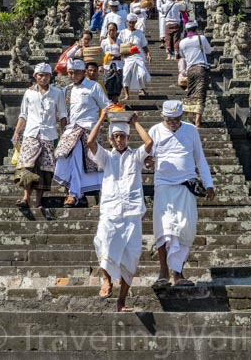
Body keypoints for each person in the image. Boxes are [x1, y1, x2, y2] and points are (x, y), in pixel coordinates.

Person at [88, 109, 153, 312]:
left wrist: (135, 123)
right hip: (110, 210)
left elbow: (149, 144)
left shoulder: (135, 156)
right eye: (116, 137)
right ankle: (106, 280)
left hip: (132, 212)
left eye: (122, 136)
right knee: (102, 242)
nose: (119, 140)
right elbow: (90, 142)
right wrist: (101, 119)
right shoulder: (107, 157)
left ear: (127, 137)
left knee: (131, 257)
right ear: (110, 139)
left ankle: (122, 300)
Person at [150, 100, 215, 289]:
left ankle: (178, 273)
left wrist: (208, 184)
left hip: (186, 184)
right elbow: (149, 156)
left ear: (182, 117)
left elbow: (200, 158)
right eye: (169, 120)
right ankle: (163, 272)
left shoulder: (190, 130)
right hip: (163, 185)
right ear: (163, 117)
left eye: (176, 120)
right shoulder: (155, 130)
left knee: (185, 229)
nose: (173, 123)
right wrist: (147, 162)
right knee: (164, 229)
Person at [54, 59, 110, 207]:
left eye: (76, 73)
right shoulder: (66, 90)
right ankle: (72, 192)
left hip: (88, 129)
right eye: (70, 73)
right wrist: (64, 130)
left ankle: (73, 194)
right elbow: (63, 114)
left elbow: (106, 107)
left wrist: (103, 125)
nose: (73, 76)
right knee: (62, 157)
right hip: (71, 130)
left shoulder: (94, 87)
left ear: (83, 73)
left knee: (78, 160)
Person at [12, 63, 68, 209]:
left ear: (50, 76)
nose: (43, 78)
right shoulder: (29, 93)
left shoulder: (57, 93)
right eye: (40, 75)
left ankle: (37, 202)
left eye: (46, 75)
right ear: (35, 76)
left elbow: (62, 115)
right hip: (31, 133)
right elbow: (23, 114)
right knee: (27, 166)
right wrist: (17, 131)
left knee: (44, 169)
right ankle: (25, 197)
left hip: (49, 134)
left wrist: (64, 134)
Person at [179, 21, 213, 127]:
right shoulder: (201, 38)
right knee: (200, 95)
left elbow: (183, 56)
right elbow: (208, 51)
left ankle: (189, 119)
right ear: (196, 29)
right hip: (201, 68)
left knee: (191, 93)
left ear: (186, 30)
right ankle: (197, 122)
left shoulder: (182, 42)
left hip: (190, 70)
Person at [118, 14, 151, 100]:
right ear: (127, 22)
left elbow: (144, 45)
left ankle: (142, 89)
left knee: (142, 74)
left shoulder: (139, 33)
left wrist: (148, 54)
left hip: (138, 56)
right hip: (127, 57)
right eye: (130, 23)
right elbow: (119, 46)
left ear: (135, 22)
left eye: (133, 23)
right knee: (125, 75)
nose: (131, 24)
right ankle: (126, 95)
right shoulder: (122, 33)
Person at [100, 22, 124, 102]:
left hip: (118, 65)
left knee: (117, 84)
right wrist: (100, 65)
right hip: (107, 65)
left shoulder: (120, 41)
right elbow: (101, 54)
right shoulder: (104, 42)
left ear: (116, 31)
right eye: (110, 30)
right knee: (107, 82)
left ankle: (115, 101)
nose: (111, 32)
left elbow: (123, 52)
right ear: (107, 30)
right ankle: (107, 102)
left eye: (113, 30)